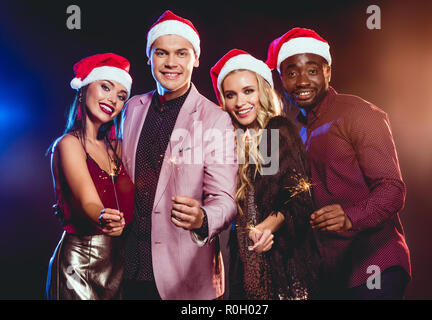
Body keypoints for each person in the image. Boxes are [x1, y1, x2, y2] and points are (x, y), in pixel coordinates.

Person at [266, 27, 411, 299]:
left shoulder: (360, 113)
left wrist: (349, 216)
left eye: (311, 70)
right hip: (327, 277)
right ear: (281, 78)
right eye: (291, 73)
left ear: (327, 72)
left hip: (375, 263)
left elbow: (393, 189)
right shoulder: (289, 131)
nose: (301, 81)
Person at [120, 10, 237, 300]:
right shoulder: (132, 108)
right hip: (129, 269)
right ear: (149, 58)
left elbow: (225, 199)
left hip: (184, 279)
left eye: (181, 53)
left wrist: (203, 217)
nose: (171, 62)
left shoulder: (215, 119)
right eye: (162, 53)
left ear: (195, 58)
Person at [210, 49, 320, 300]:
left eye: (248, 91)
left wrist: (267, 227)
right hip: (246, 270)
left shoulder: (277, 130)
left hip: (282, 271)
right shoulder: (228, 143)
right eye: (231, 95)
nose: (240, 102)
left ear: (262, 91)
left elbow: (299, 197)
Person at [46, 53, 135, 300]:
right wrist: (104, 217)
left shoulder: (118, 148)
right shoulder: (69, 144)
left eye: (121, 96)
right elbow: (89, 202)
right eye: (105, 87)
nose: (112, 100)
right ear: (83, 90)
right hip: (78, 264)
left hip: (117, 265)